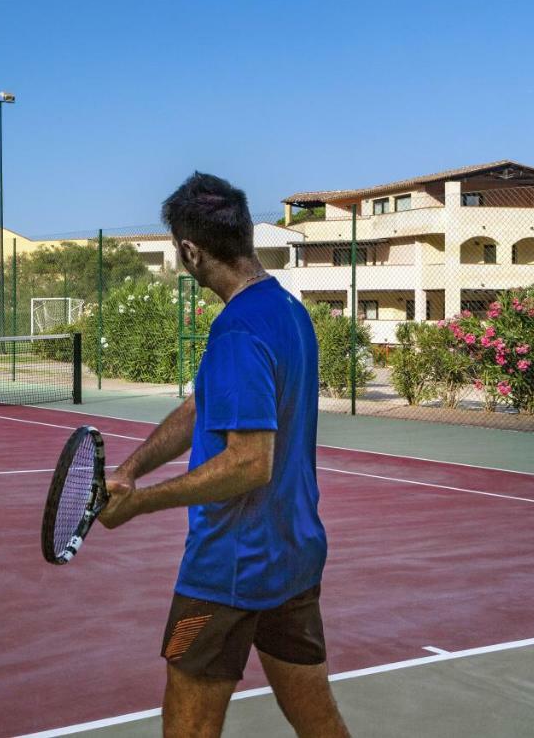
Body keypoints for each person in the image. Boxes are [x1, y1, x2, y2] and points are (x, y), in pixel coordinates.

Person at [98, 173, 348, 738]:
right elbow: (204, 405)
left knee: (188, 726)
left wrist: (139, 505)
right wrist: (132, 468)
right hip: (293, 557)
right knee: (318, 720)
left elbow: (247, 462)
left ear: (190, 250)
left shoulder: (237, 330)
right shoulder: (285, 310)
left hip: (228, 568)